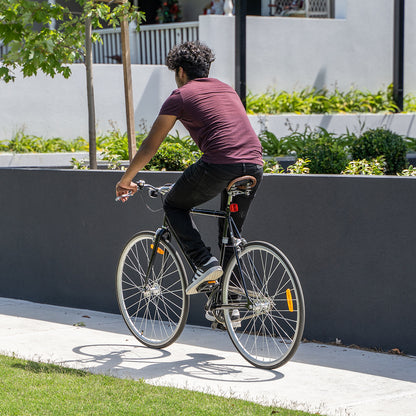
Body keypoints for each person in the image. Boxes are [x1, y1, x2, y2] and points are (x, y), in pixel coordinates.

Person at [115, 41, 263, 298]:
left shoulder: (181, 96)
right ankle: (232, 304)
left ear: (180, 71)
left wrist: (127, 178)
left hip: (219, 164)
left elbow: (151, 145)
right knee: (229, 238)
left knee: (174, 204)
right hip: (254, 164)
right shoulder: (227, 90)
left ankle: (203, 263)